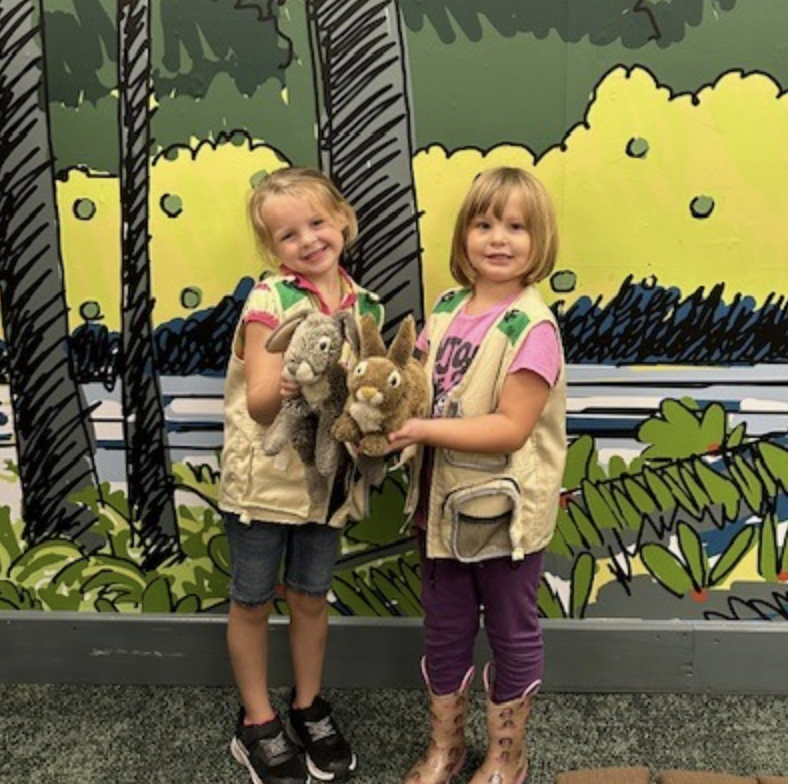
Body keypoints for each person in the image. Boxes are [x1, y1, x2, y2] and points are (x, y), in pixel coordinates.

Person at [389, 167, 567, 784]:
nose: (498, 238)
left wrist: (421, 431)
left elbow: (510, 428)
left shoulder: (532, 328)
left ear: (537, 240)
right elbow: (412, 388)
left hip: (504, 516)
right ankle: (447, 748)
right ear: (463, 234)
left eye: (516, 226)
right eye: (484, 223)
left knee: (512, 632)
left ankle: (506, 756)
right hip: (437, 512)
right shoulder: (443, 310)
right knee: (445, 632)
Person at [219, 166, 383, 784]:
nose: (309, 239)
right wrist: (287, 384)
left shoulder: (365, 306)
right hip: (265, 485)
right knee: (254, 600)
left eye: (317, 222)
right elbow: (261, 403)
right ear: (272, 249)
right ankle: (256, 722)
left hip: (327, 483)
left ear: (342, 219)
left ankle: (308, 706)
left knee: (312, 598)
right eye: (289, 234)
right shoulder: (270, 300)